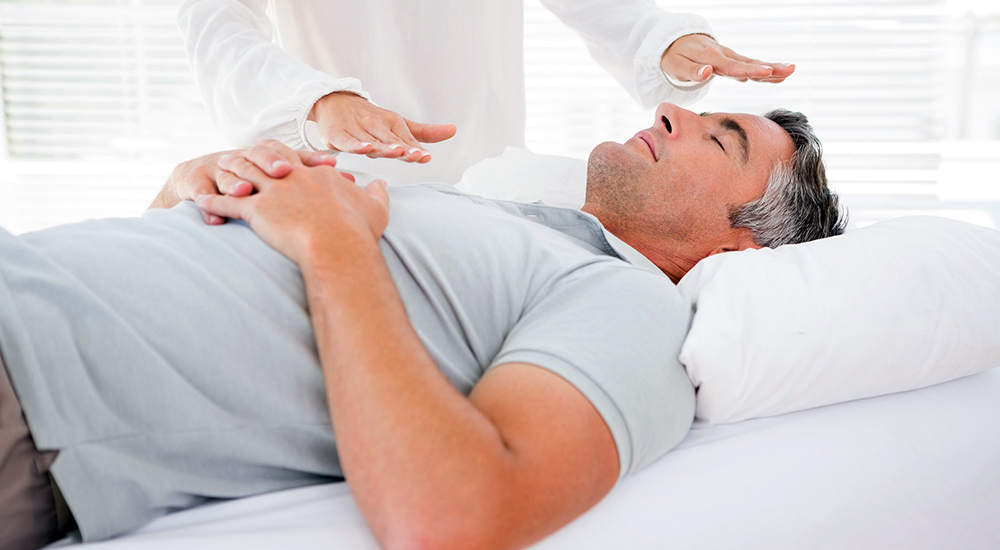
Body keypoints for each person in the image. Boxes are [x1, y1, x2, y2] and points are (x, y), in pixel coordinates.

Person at [0, 102, 844, 550]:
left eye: (719, 137)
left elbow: (457, 518)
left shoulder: (638, 310)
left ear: (740, 244)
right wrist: (189, 188)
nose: (670, 110)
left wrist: (332, 242)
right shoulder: (508, 218)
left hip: (29, 385)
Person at [180, 0, 796, 185]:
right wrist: (317, 102)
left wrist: (665, 41)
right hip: (329, 174)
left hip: (487, 180)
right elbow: (215, 24)